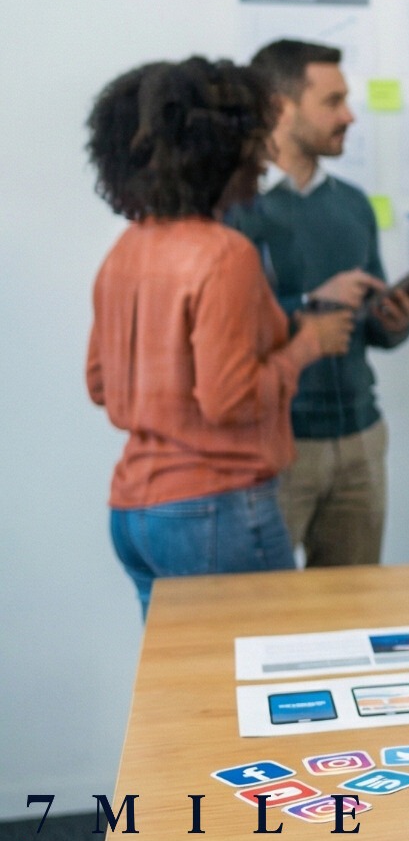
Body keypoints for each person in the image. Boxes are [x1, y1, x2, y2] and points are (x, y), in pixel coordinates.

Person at [85, 57, 353, 612]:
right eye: (256, 139)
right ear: (223, 149)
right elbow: (228, 399)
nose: (264, 156)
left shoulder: (128, 246)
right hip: (215, 508)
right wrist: (306, 346)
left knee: (187, 690)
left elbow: (100, 383)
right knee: (265, 686)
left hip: (134, 513)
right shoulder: (224, 253)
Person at [227, 40, 409, 567]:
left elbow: (376, 332)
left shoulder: (353, 205)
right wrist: (309, 302)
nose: (349, 116)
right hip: (276, 447)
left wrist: (394, 320)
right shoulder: (236, 207)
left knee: (356, 613)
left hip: (361, 441)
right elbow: (224, 329)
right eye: (333, 102)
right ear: (280, 107)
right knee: (259, 613)